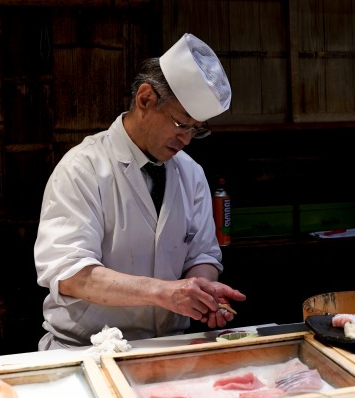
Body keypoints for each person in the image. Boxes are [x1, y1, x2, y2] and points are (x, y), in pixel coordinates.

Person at [34, 33, 246, 349]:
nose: (186, 139)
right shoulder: (83, 167)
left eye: (195, 130)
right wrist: (165, 292)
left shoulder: (190, 173)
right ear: (145, 99)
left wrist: (201, 292)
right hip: (85, 348)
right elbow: (70, 273)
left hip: (169, 345)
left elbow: (202, 254)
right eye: (180, 124)